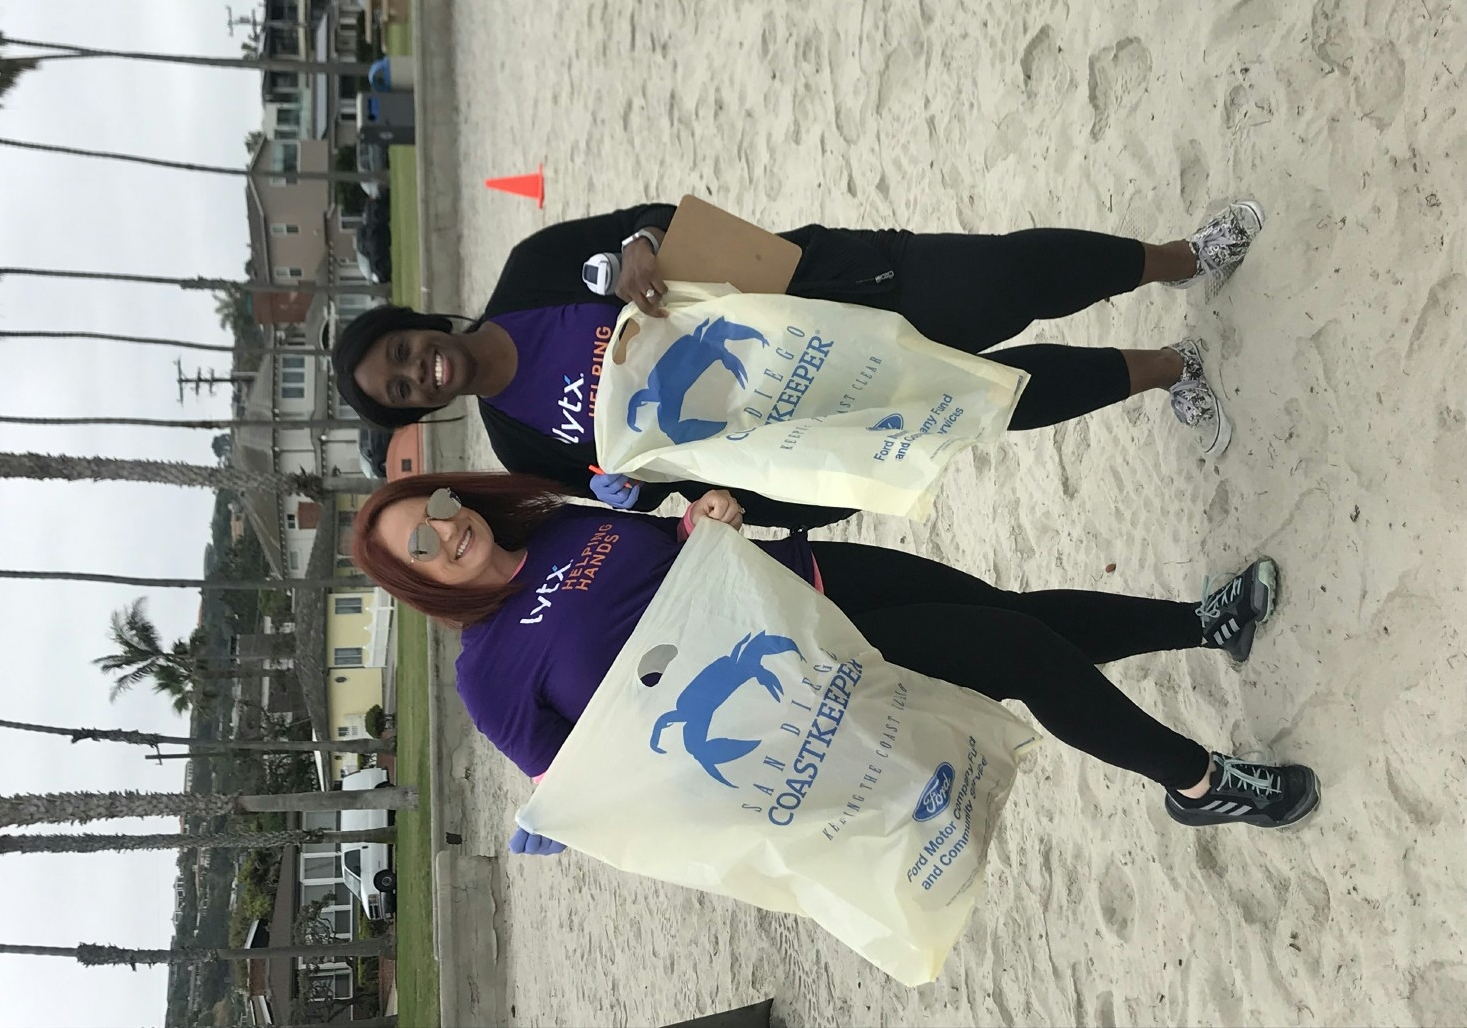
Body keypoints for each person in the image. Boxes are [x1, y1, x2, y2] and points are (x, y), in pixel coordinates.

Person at [350, 471, 1320, 856]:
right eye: (421, 550)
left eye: (434, 512)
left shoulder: (549, 519)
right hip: (813, 676)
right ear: (419, 584)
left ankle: (1202, 623)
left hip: (813, 575)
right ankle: (1198, 780)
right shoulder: (489, 679)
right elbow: (596, 794)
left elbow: (675, 553)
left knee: (1009, 617)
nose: (446, 534)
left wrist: (706, 518)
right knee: (1018, 655)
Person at [333, 202, 1265, 529]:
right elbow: (659, 487)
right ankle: (1167, 368)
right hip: (798, 427)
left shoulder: (531, 271)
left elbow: (656, 220)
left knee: (1002, 280)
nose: (424, 372)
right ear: (415, 411)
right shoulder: (520, 443)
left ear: (417, 324)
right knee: (989, 400)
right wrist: (646, 494)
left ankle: (1181, 256)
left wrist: (640, 250)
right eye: (404, 389)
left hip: (818, 297)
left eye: (406, 352)